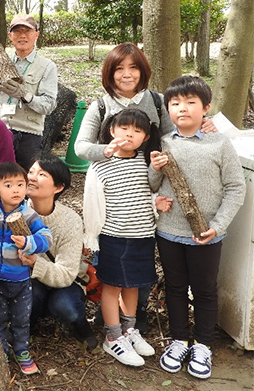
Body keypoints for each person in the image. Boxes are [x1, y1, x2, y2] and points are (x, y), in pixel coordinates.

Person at [74, 42, 215, 332]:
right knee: (113, 262)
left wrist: (205, 124)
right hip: (113, 192)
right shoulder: (100, 105)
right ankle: (111, 323)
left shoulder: (158, 101)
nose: (127, 74)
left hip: (150, 185)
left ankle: (134, 320)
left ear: (143, 70)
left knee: (140, 261)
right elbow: (80, 147)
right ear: (109, 73)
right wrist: (107, 150)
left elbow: (176, 134)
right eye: (119, 69)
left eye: (133, 67)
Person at [150, 76, 245, 380]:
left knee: (205, 290)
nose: (183, 108)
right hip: (168, 232)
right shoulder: (164, 143)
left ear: (206, 108)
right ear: (168, 109)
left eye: (191, 102)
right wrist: (154, 174)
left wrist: (217, 226)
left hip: (207, 235)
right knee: (175, 287)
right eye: (175, 103)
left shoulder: (220, 143)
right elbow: (152, 186)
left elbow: (235, 188)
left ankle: (203, 344)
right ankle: (179, 339)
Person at [83, 109, 161, 367]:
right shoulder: (100, 164)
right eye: (124, 128)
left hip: (142, 235)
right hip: (113, 236)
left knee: (134, 285)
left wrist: (156, 202)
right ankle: (112, 336)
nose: (130, 133)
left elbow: (148, 191)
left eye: (137, 130)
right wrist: (91, 235)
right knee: (112, 285)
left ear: (146, 137)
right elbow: (92, 202)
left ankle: (129, 331)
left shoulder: (145, 161)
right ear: (112, 131)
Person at [0, 162, 51, 375]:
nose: (16, 190)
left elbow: (46, 237)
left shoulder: (28, 214)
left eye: (20, 184)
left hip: (21, 281)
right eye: (8, 185)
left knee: (21, 318)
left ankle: (22, 350)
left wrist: (29, 244)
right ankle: (1, 352)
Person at [19, 154, 98, 351]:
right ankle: (30, 325)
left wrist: (36, 263)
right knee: (31, 294)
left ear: (59, 187)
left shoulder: (70, 221)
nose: (32, 178)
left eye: (42, 174)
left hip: (64, 282)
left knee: (67, 308)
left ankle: (80, 325)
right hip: (30, 281)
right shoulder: (16, 213)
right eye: (31, 172)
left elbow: (66, 274)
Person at [0, 14, 58, 172]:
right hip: (0, 129)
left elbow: (49, 106)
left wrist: (25, 95)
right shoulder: (2, 61)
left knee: (26, 181)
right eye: (17, 31)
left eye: (28, 31)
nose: (22, 35)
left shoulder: (47, 66)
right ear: (10, 36)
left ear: (37, 34)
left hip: (28, 134)